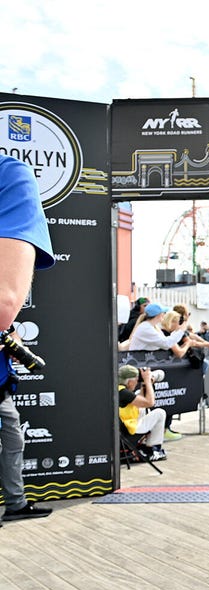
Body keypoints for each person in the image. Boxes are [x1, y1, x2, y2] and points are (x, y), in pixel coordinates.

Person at [0, 154, 55, 524]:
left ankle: (16, 503)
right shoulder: (9, 174)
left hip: (1, 381)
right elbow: (4, 300)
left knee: (13, 442)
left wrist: (10, 337)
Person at [117, 365, 168, 462]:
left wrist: (144, 385)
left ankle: (146, 445)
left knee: (141, 406)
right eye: (136, 380)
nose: (137, 382)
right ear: (130, 381)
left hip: (122, 427)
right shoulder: (124, 393)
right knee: (160, 413)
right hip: (128, 429)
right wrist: (148, 382)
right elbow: (150, 402)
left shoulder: (118, 389)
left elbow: (140, 402)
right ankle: (154, 449)